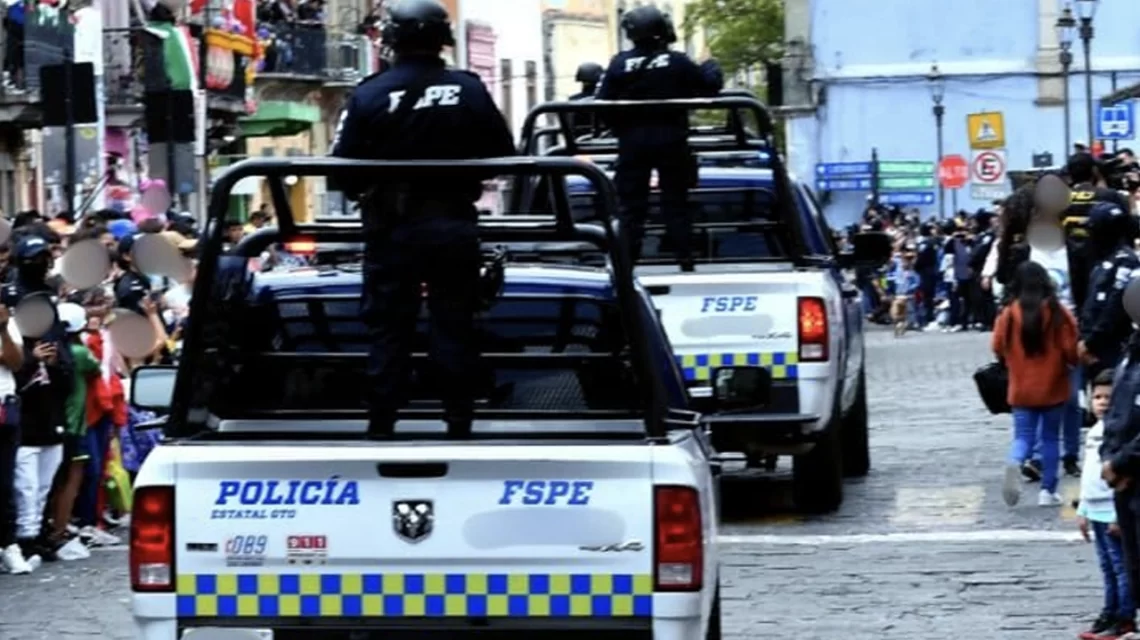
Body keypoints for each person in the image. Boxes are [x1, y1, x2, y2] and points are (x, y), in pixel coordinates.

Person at [330, 0, 515, 439]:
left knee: (389, 329)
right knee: (455, 324)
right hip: (453, 225)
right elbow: (504, 153)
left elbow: (342, 173)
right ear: (442, 39)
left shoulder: (371, 93)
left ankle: (382, 422)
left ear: (391, 40)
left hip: (392, 231)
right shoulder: (468, 89)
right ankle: (458, 420)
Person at [595, 4, 723, 270]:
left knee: (630, 208)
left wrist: (623, 129)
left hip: (632, 144)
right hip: (672, 141)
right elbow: (709, 86)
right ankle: (685, 260)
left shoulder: (619, 64)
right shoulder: (677, 62)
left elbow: (603, 104)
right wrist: (710, 65)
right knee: (676, 203)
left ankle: (627, 265)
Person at [993, 260, 1078, 508]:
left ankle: (1015, 461)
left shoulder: (1009, 314)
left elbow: (997, 346)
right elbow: (1071, 350)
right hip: (1053, 386)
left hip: (1021, 387)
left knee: (1023, 437)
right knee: (1050, 438)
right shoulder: (1058, 312)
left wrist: (1010, 360)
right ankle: (1047, 492)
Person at [1078, 369, 1135, 639]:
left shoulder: (1117, 433)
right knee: (1107, 567)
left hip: (1112, 509)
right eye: (1097, 397)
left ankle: (1124, 616)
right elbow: (1088, 475)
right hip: (1095, 509)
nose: (1101, 402)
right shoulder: (1095, 431)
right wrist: (1083, 509)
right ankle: (1109, 611)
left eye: (1108, 398)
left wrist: (1117, 515)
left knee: (1121, 566)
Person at [1080, 202, 1140, 383]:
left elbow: (1115, 306)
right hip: (1090, 347)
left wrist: (1090, 342)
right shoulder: (1101, 260)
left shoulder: (1127, 261)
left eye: (1093, 229)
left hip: (1112, 348)